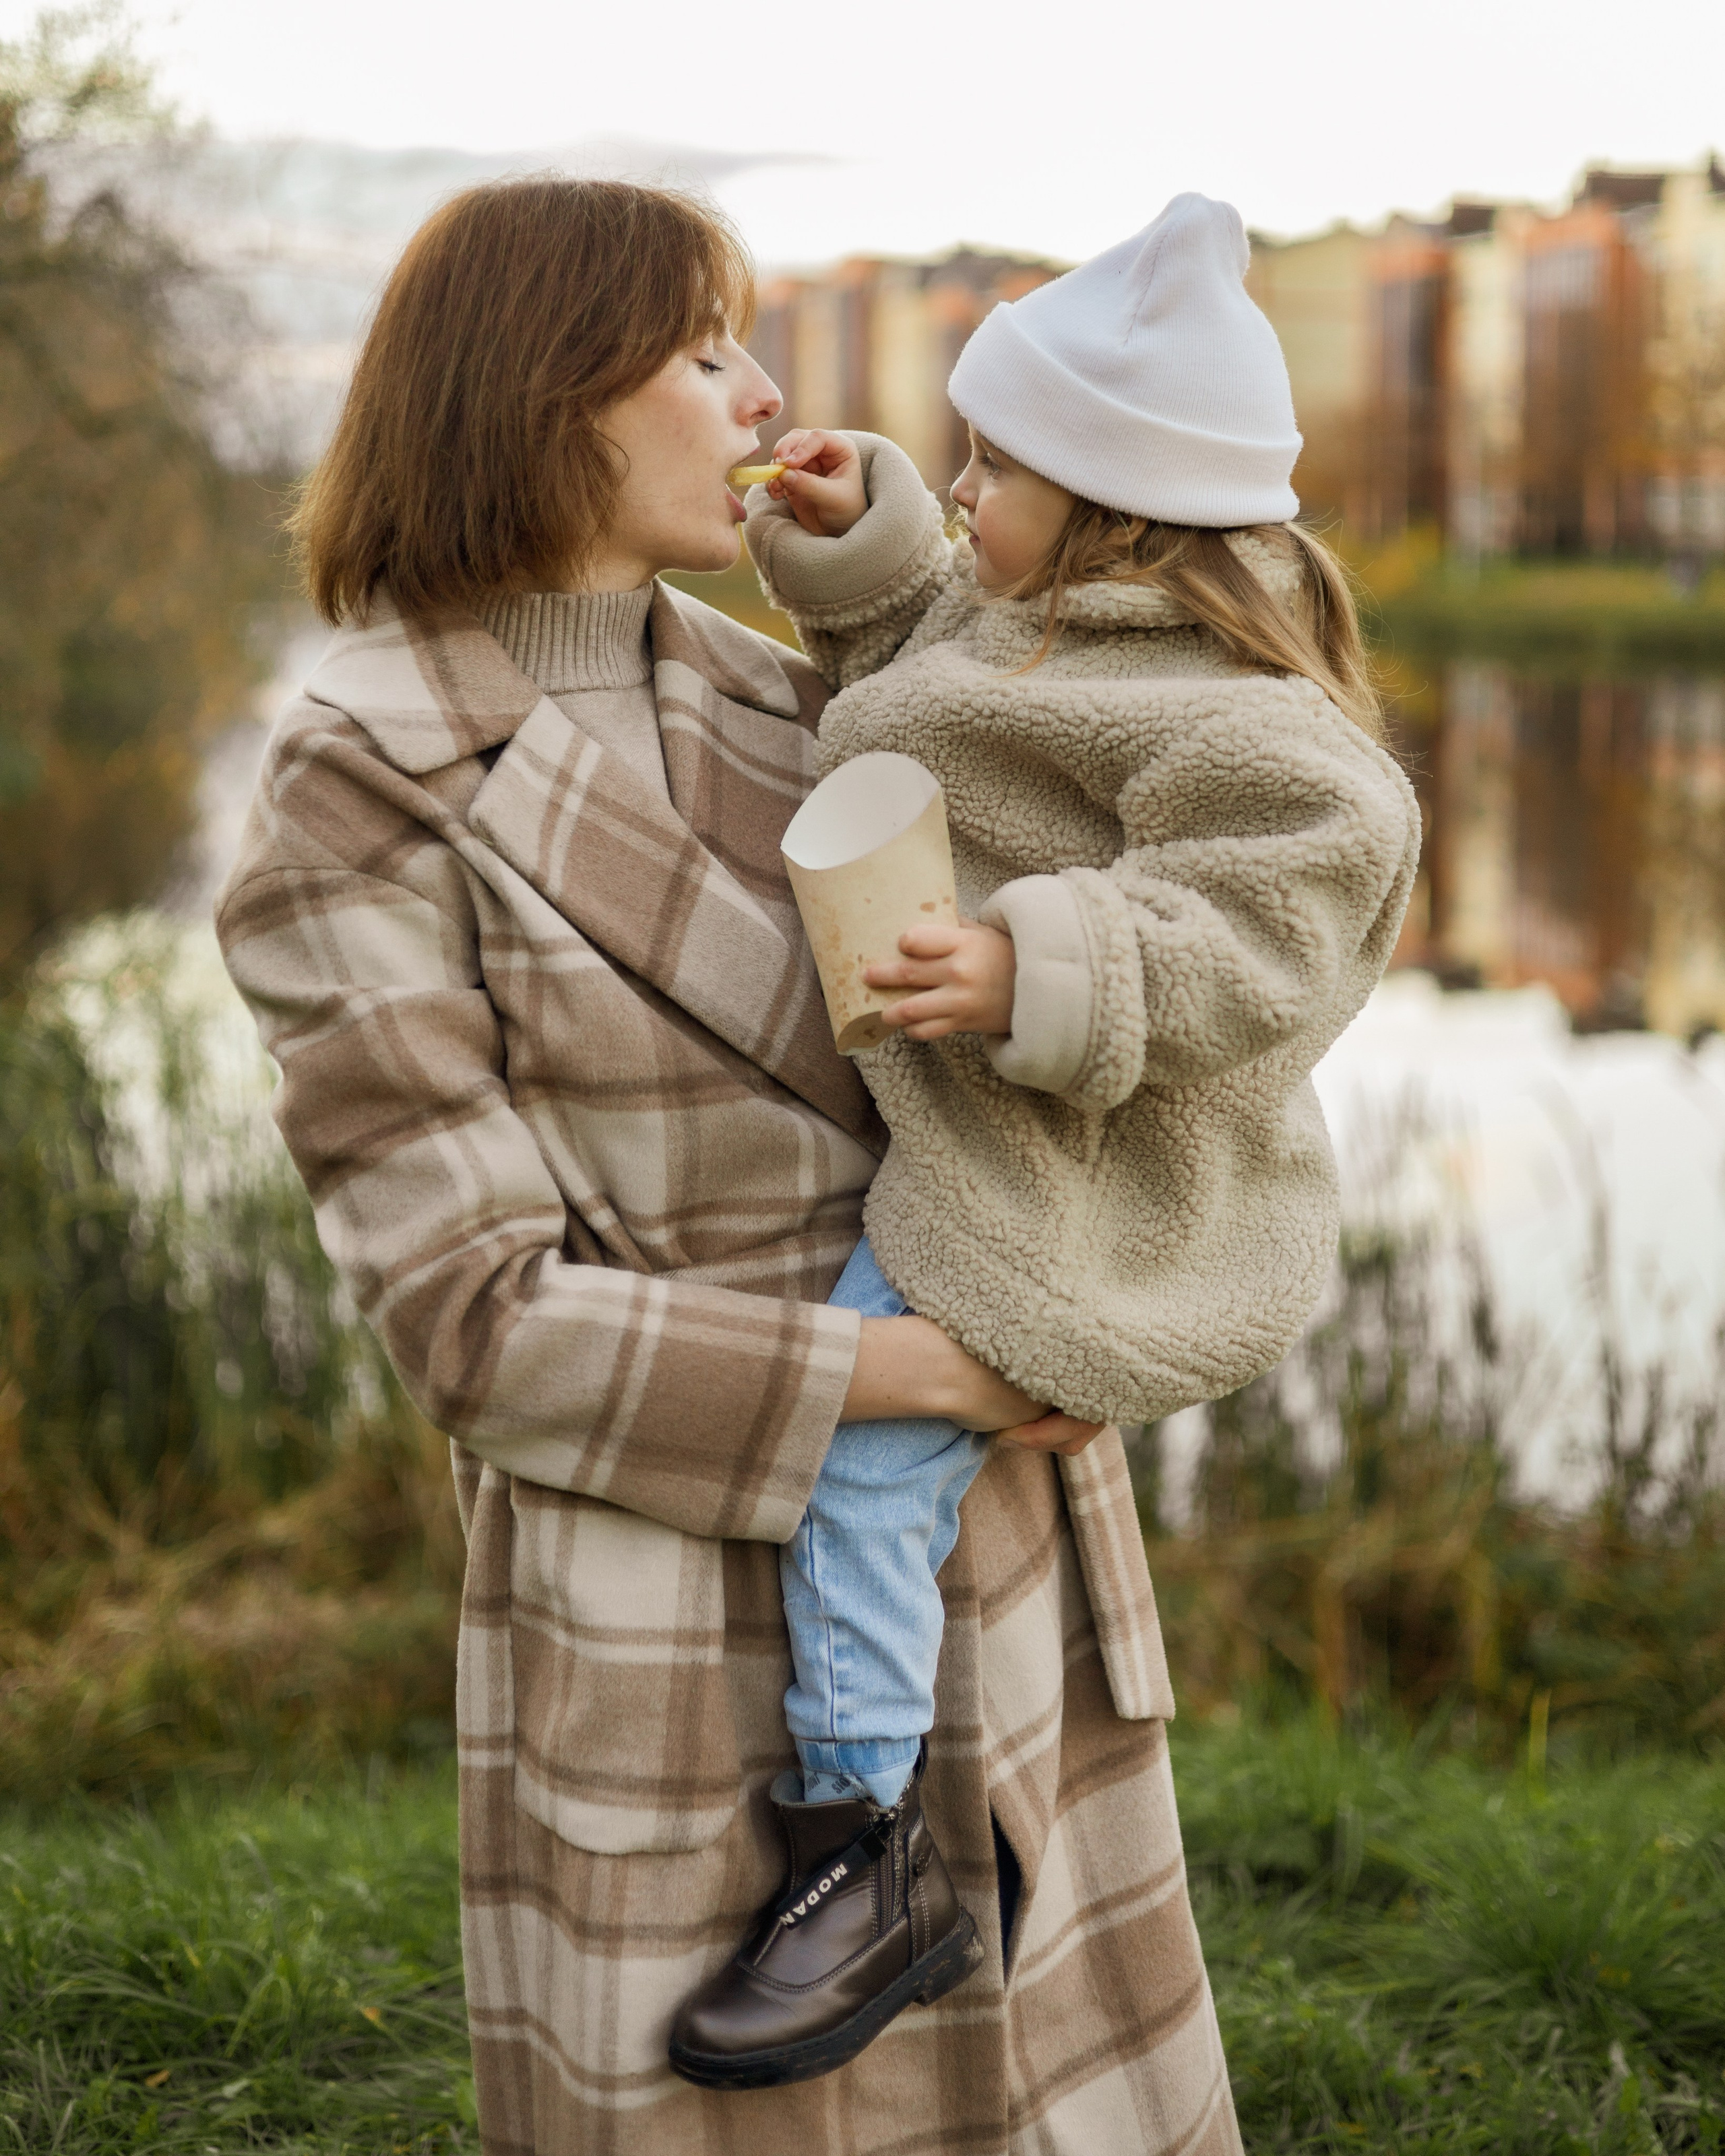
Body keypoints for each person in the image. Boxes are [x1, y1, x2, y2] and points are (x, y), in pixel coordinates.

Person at [216, 175, 1240, 2155]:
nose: (764, 395)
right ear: (543, 394)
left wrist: (1109, 1305)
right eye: (703, 352)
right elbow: (478, 1324)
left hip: (997, 1558)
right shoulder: (357, 780)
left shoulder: (818, 697)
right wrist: (944, 1369)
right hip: (684, 1608)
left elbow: (1159, 909)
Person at [669, 193, 1421, 2087]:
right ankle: (885, 1838)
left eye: (994, 469)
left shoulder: (1261, 730)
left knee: (865, 1462)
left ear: (1118, 513)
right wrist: (877, 534)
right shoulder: (1044, 620)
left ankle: (870, 1850)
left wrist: (1032, 961)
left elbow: (1269, 924)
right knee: (877, 1462)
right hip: (1003, 1129)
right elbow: (939, 647)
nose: (969, 488)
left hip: (1075, 1185)